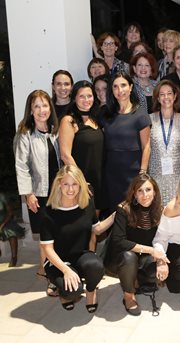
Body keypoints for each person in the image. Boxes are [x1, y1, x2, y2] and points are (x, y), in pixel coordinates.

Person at [39, 165, 114, 312]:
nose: (70, 189)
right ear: (59, 184)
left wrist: (115, 215)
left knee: (97, 266)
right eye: (66, 184)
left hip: (80, 256)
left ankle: (91, 292)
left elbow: (97, 229)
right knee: (73, 291)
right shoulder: (49, 212)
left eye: (74, 184)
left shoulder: (86, 204)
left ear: (80, 185)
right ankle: (64, 295)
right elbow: (47, 249)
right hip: (57, 262)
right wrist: (66, 270)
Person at [14, 90, 60, 292]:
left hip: (59, 193)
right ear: (31, 111)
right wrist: (28, 193)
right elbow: (21, 166)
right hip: (39, 193)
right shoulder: (25, 134)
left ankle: (47, 268)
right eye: (37, 106)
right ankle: (51, 276)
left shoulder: (55, 130)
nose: (42, 110)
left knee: (57, 234)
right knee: (46, 236)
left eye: (45, 105)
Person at [105, 174, 167, 316]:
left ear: (155, 191)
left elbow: (163, 238)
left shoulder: (160, 210)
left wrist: (161, 260)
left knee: (157, 275)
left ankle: (137, 278)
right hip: (122, 256)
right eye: (140, 191)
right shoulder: (124, 209)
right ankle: (128, 296)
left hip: (144, 256)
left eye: (148, 190)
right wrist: (151, 250)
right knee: (129, 257)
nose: (145, 195)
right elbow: (119, 242)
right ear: (134, 193)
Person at [100, 71, 151, 213]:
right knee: (115, 215)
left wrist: (142, 173)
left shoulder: (140, 114)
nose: (119, 90)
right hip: (112, 175)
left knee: (135, 214)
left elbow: (146, 146)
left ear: (131, 87)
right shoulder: (106, 114)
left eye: (123, 85)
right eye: (115, 87)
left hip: (134, 175)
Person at [59, 81, 105, 212]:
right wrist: (81, 183)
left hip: (98, 181)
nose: (86, 100)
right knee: (82, 225)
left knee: (95, 226)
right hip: (80, 182)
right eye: (82, 96)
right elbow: (65, 155)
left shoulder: (95, 119)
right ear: (74, 98)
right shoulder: (68, 121)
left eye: (89, 96)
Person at [149, 80, 180, 205]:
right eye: (162, 94)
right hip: (156, 174)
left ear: (175, 96)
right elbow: (146, 148)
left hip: (178, 175)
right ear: (157, 97)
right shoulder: (149, 119)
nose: (166, 97)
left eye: (169, 93)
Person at [0, 193, 26, 267]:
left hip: (6, 221)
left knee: (11, 232)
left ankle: (14, 257)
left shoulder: (2, 196)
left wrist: (2, 225)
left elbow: (9, 213)